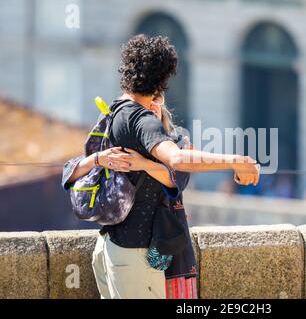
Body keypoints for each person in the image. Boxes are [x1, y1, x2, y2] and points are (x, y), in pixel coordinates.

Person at [62, 35, 260, 299]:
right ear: (162, 80)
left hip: (110, 245)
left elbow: (75, 169)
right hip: (135, 255)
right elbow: (177, 160)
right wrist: (237, 160)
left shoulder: (114, 113)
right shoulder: (142, 120)